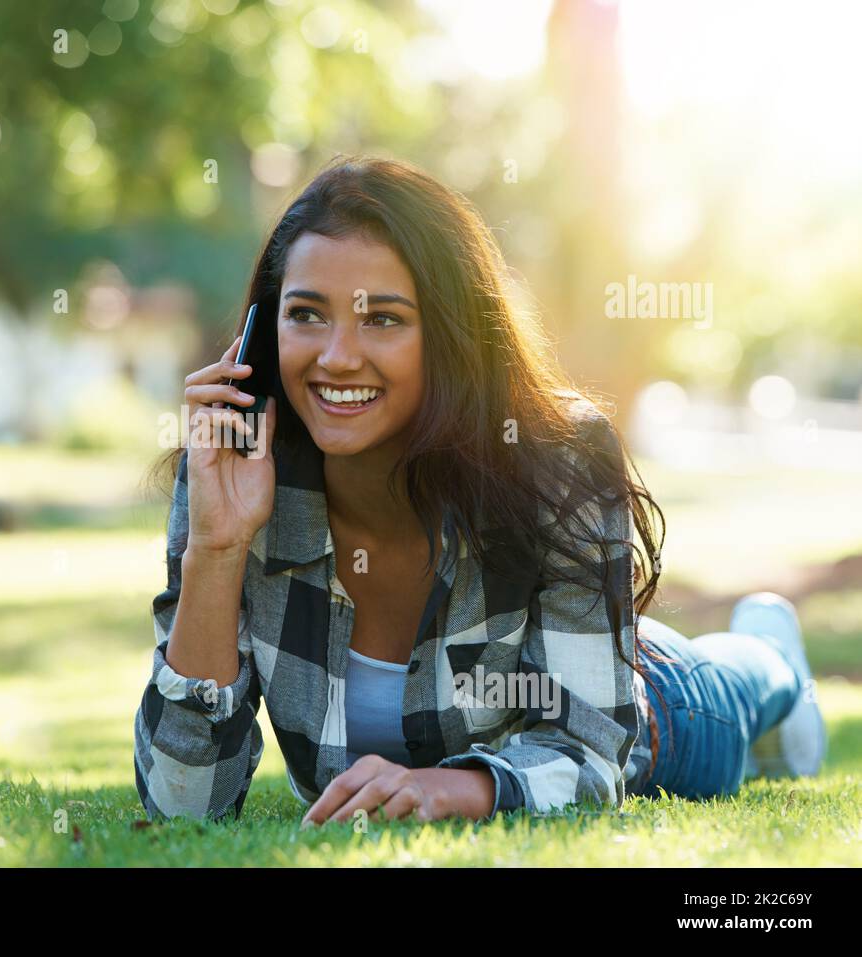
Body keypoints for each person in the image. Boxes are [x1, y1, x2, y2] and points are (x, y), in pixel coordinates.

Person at [133, 155, 826, 826]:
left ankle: (773, 652)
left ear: (451, 334)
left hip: (655, 710)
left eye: (382, 319)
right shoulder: (235, 468)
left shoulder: (556, 454)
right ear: (266, 328)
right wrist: (217, 550)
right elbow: (183, 803)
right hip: (569, 661)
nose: (337, 355)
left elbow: (588, 752)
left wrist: (449, 788)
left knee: (741, 685)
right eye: (306, 314)